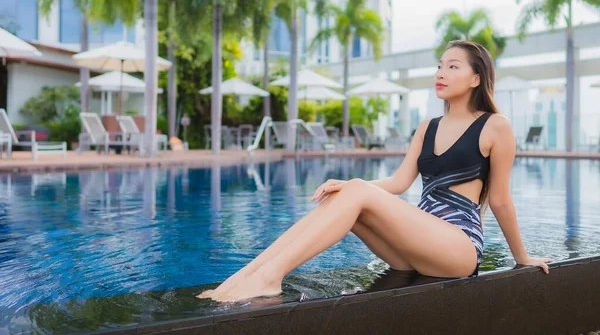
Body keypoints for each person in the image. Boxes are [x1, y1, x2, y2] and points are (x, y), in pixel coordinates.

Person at [197, 40, 552, 303]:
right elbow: (399, 182)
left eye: (453, 66)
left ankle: (271, 278)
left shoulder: (495, 126)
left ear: (477, 78)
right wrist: (348, 188)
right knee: (347, 197)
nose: (441, 73)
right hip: (417, 251)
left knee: (357, 189)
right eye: (440, 65)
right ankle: (242, 278)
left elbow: (502, 201)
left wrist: (522, 258)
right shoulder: (426, 127)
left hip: (458, 249)